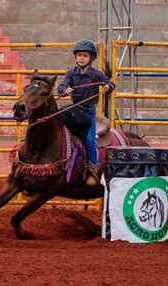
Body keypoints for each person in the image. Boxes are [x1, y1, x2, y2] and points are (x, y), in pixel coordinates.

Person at [57, 39, 115, 186]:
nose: (81, 58)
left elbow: (110, 84)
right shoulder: (71, 73)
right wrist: (64, 90)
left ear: (91, 58)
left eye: (85, 55)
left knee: (89, 140)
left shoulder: (96, 75)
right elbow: (61, 86)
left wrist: (107, 87)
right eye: (79, 55)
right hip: (74, 111)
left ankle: (93, 170)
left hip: (88, 114)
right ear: (76, 57)